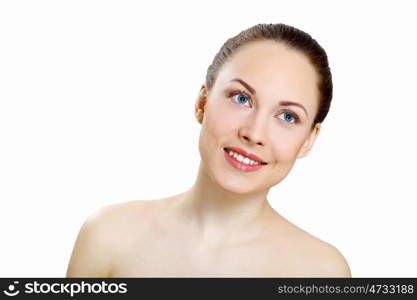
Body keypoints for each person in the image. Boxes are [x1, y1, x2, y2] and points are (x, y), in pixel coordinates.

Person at [66, 23, 351, 277]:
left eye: (288, 117)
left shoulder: (322, 271)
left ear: (308, 140)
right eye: (241, 98)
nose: (253, 134)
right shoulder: (107, 235)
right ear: (202, 102)